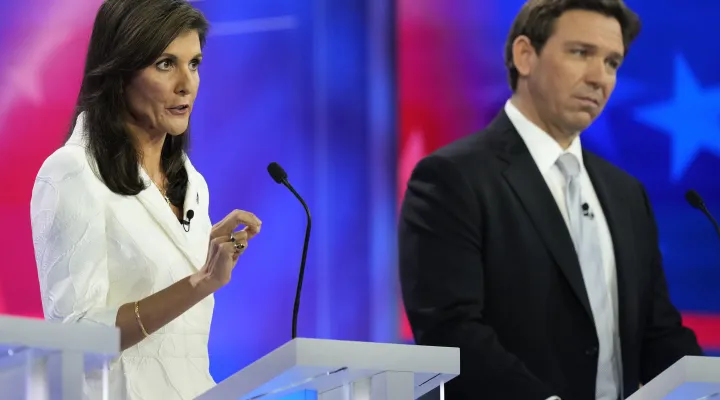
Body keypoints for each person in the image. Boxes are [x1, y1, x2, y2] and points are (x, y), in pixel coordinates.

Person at [398, 1, 703, 399]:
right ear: (525, 55)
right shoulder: (453, 178)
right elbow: (452, 332)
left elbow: (658, 333)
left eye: (612, 63)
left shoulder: (626, 194)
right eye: (581, 53)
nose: (600, 78)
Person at [29, 0, 261, 399]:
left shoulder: (193, 185)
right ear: (120, 72)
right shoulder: (70, 173)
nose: (186, 84)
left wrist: (201, 258)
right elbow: (75, 341)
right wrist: (199, 282)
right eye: (165, 64)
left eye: (194, 63)